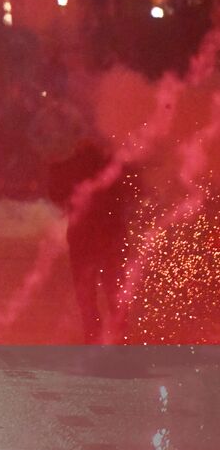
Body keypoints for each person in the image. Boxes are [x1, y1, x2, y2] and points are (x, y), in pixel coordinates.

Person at [48, 139, 129, 344]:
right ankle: (120, 338)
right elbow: (128, 197)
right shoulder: (113, 167)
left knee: (87, 296)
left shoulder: (69, 167)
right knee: (114, 292)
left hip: (83, 239)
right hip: (110, 237)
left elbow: (56, 194)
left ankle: (92, 338)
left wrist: (53, 169)